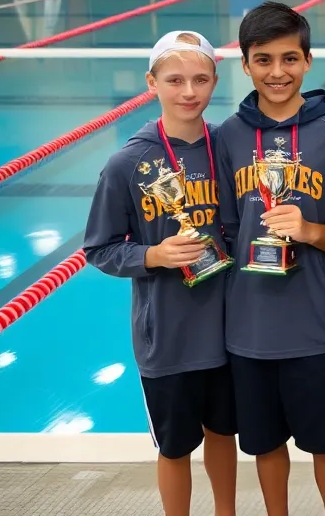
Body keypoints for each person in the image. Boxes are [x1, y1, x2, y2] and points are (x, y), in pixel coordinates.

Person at [83, 31, 237, 516]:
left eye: (200, 80)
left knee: (224, 434)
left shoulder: (230, 148)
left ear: (215, 82)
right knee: (175, 446)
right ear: (152, 83)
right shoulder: (126, 163)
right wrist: (152, 256)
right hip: (167, 338)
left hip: (230, 330)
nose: (188, 91)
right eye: (174, 80)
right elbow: (100, 248)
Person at [214, 2, 325, 516]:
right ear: (245, 64)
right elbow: (225, 232)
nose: (277, 72)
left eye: (290, 58)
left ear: (308, 60)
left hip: (314, 324)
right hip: (248, 326)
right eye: (264, 59)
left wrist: (311, 230)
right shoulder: (227, 137)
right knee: (265, 445)